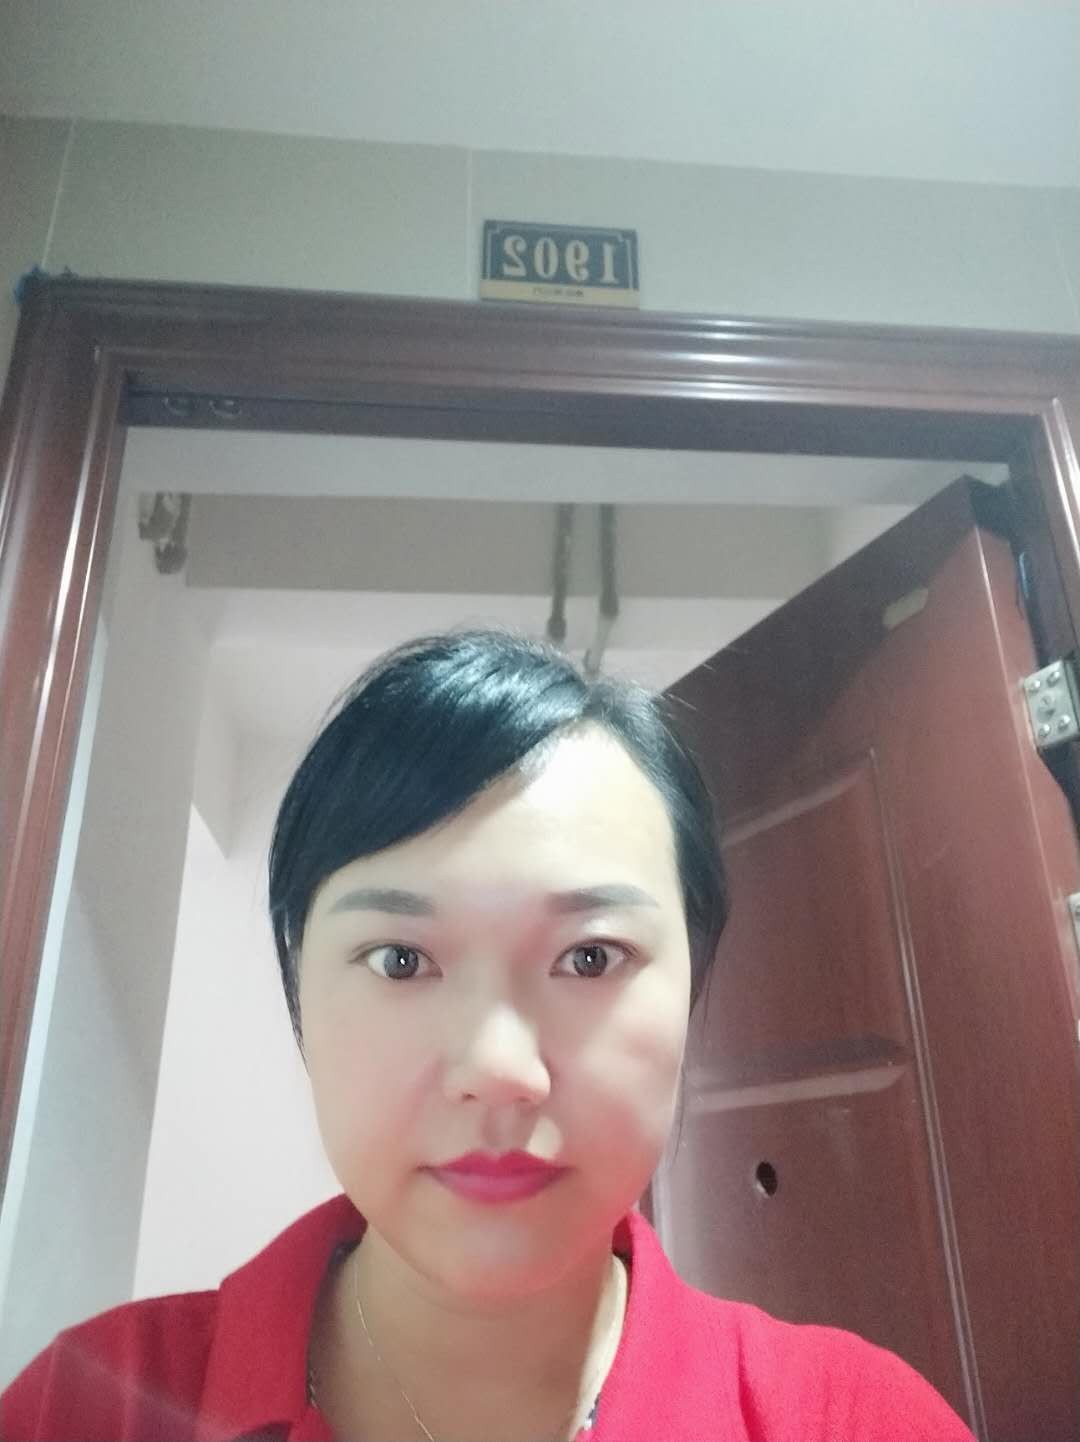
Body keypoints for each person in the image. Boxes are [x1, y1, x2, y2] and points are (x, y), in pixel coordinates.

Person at [1, 628, 974, 1441]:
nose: (499, 1071)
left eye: (589, 957)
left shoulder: (857, 1420)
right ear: (300, 991)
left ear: (692, 982)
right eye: (400, 959)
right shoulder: (90, 1406)